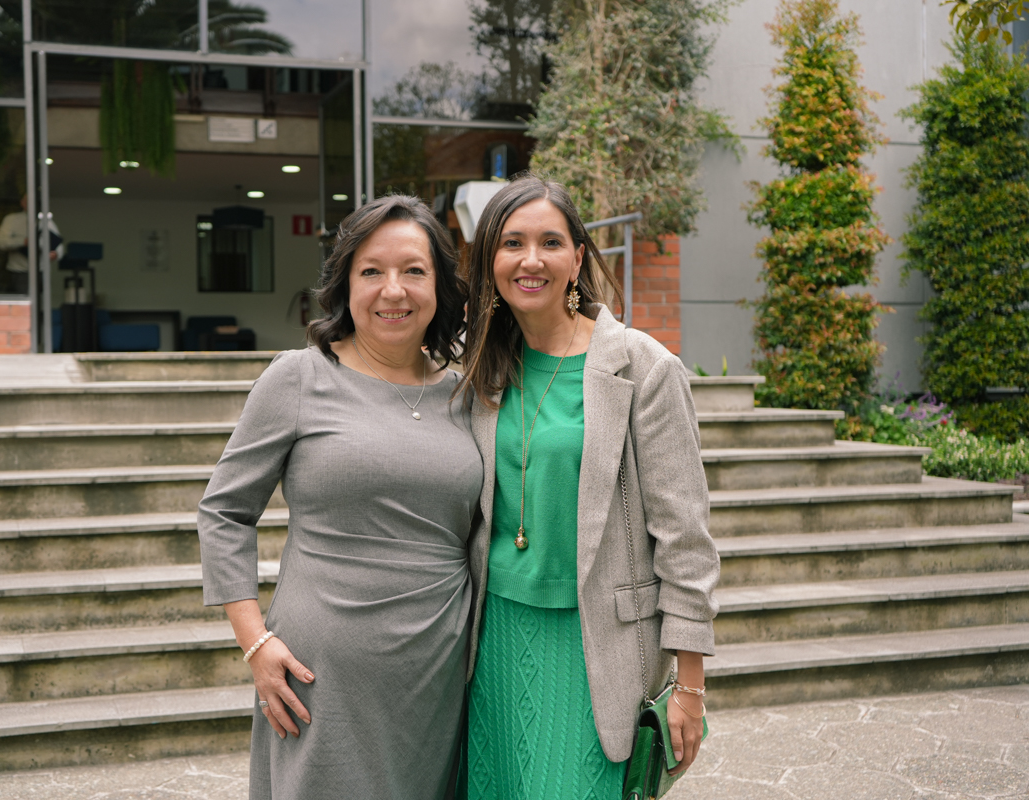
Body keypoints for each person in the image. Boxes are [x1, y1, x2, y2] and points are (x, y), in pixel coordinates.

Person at [198, 195, 480, 800]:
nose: (392, 290)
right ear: (345, 283)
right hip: (319, 675)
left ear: (439, 285)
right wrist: (254, 641)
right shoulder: (299, 377)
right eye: (372, 271)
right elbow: (224, 511)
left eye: (413, 271)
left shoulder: (468, 395)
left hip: (440, 675)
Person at [457, 175, 720, 799]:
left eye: (550, 242)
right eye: (512, 243)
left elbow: (684, 538)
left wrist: (689, 687)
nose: (531, 259)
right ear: (489, 260)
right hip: (491, 643)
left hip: (598, 650)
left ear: (577, 259)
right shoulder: (479, 366)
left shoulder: (644, 367)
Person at [0, 195, 62, 294]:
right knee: (23, 300)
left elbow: (58, 244)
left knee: (41, 301)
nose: (31, 203)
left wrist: (55, 254)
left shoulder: (45, 220)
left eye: (34, 201)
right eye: (27, 201)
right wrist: (23, 241)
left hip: (41, 271)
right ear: (22, 203)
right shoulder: (11, 219)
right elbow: (0, 242)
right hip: (18, 271)